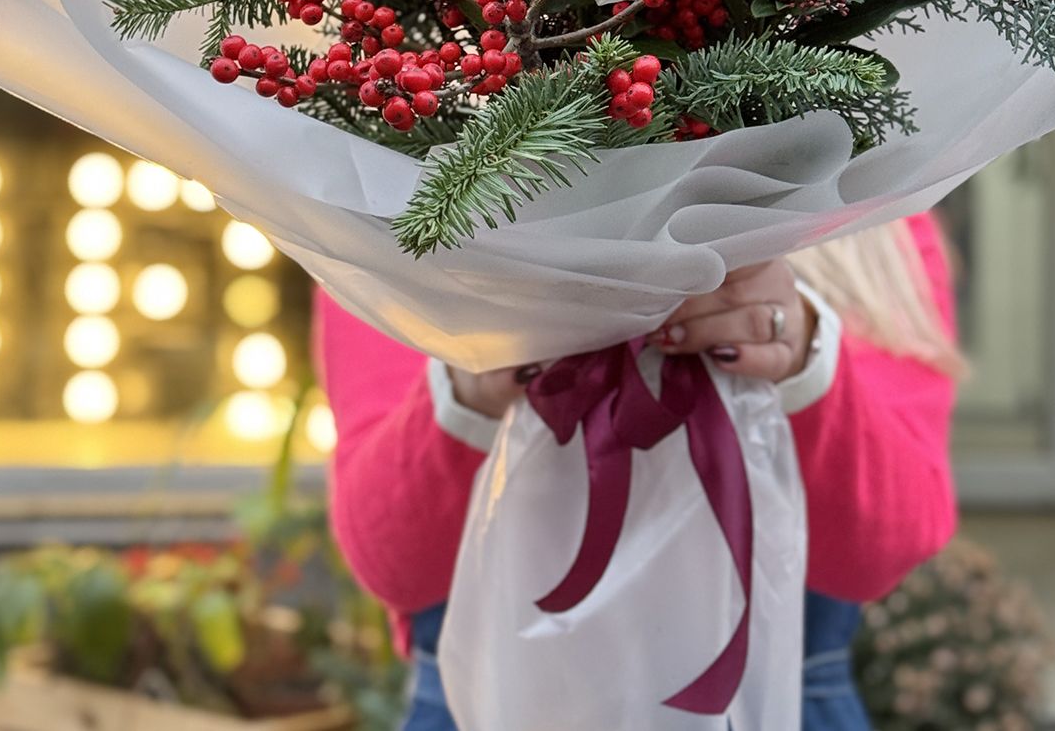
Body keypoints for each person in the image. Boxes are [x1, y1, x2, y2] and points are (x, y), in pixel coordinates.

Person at [316, 214, 961, 731]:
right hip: (484, 700)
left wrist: (799, 360)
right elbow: (394, 564)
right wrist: (473, 382)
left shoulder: (872, 218)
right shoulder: (405, 202)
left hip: (772, 702)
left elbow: (884, 548)